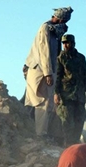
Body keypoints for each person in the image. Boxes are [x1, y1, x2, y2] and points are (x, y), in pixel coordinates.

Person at [25, 7, 73, 142]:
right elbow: (44, 52)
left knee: (48, 104)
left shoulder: (53, 30)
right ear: (61, 19)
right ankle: (40, 135)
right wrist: (48, 74)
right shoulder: (46, 29)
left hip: (46, 70)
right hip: (40, 71)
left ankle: (40, 133)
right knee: (42, 103)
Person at [54, 34, 86, 146]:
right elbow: (58, 76)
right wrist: (56, 93)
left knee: (79, 121)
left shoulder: (81, 58)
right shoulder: (61, 58)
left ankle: (75, 144)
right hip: (66, 95)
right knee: (67, 122)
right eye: (64, 43)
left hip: (79, 95)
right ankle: (68, 145)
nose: (66, 45)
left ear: (73, 43)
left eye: (68, 42)